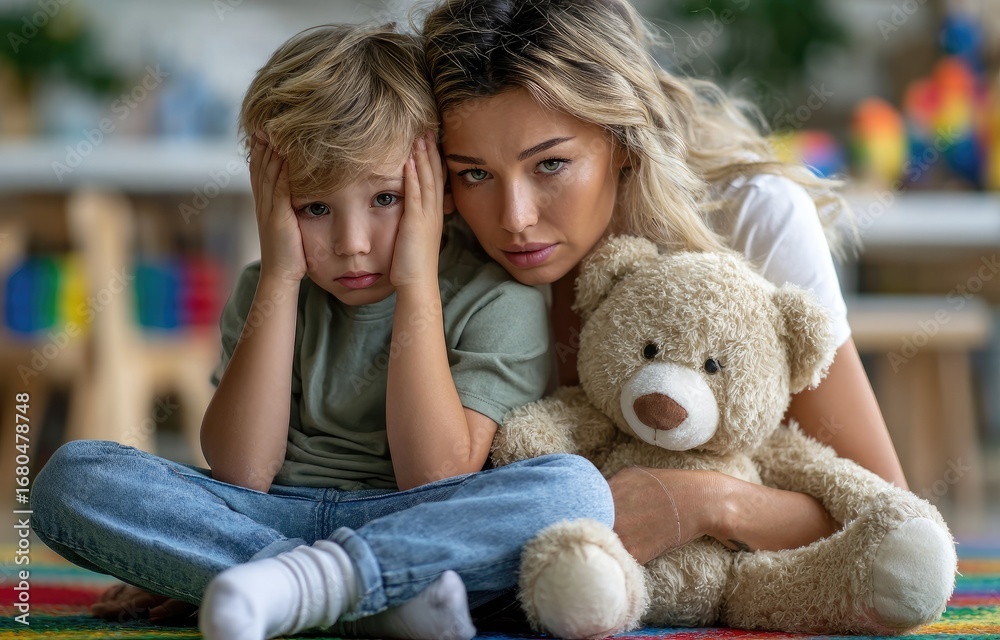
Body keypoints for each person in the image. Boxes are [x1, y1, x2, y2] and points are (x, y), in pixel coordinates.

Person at [29, 22, 614, 640]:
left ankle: (278, 585)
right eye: (315, 208)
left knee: (574, 491)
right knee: (73, 478)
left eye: (385, 199)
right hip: (270, 514)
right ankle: (370, 599)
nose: (351, 244)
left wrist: (417, 284)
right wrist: (281, 276)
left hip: (416, 517)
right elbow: (241, 471)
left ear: (439, 185)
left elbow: (438, 477)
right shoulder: (270, 287)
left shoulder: (496, 296)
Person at [421, 0, 908, 565]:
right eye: (474, 173)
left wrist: (706, 502)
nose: (515, 217)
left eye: (550, 164)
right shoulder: (435, 243)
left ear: (624, 142)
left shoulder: (752, 217)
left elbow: (892, 519)